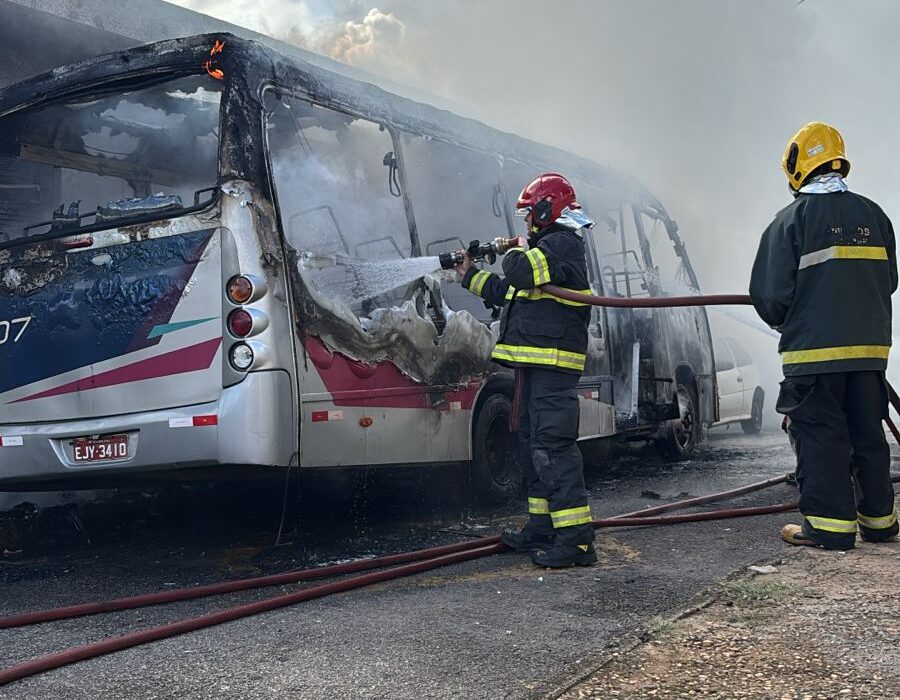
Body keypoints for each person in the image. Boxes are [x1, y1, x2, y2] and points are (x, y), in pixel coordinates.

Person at [750, 121, 899, 550]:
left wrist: (795, 321)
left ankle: (829, 527)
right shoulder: (874, 215)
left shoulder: (791, 221)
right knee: (867, 433)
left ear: (797, 167)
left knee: (821, 435)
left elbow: (770, 297)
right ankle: (879, 522)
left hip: (814, 355)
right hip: (869, 353)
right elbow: (890, 280)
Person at [455, 172, 596, 567]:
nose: (528, 221)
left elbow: (518, 271)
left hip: (554, 369)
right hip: (536, 369)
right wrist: (469, 276)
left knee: (553, 449)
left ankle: (577, 542)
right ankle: (543, 526)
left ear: (548, 210)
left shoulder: (563, 243)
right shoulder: (543, 253)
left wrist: (517, 247)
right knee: (533, 445)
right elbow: (509, 291)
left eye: (530, 213)